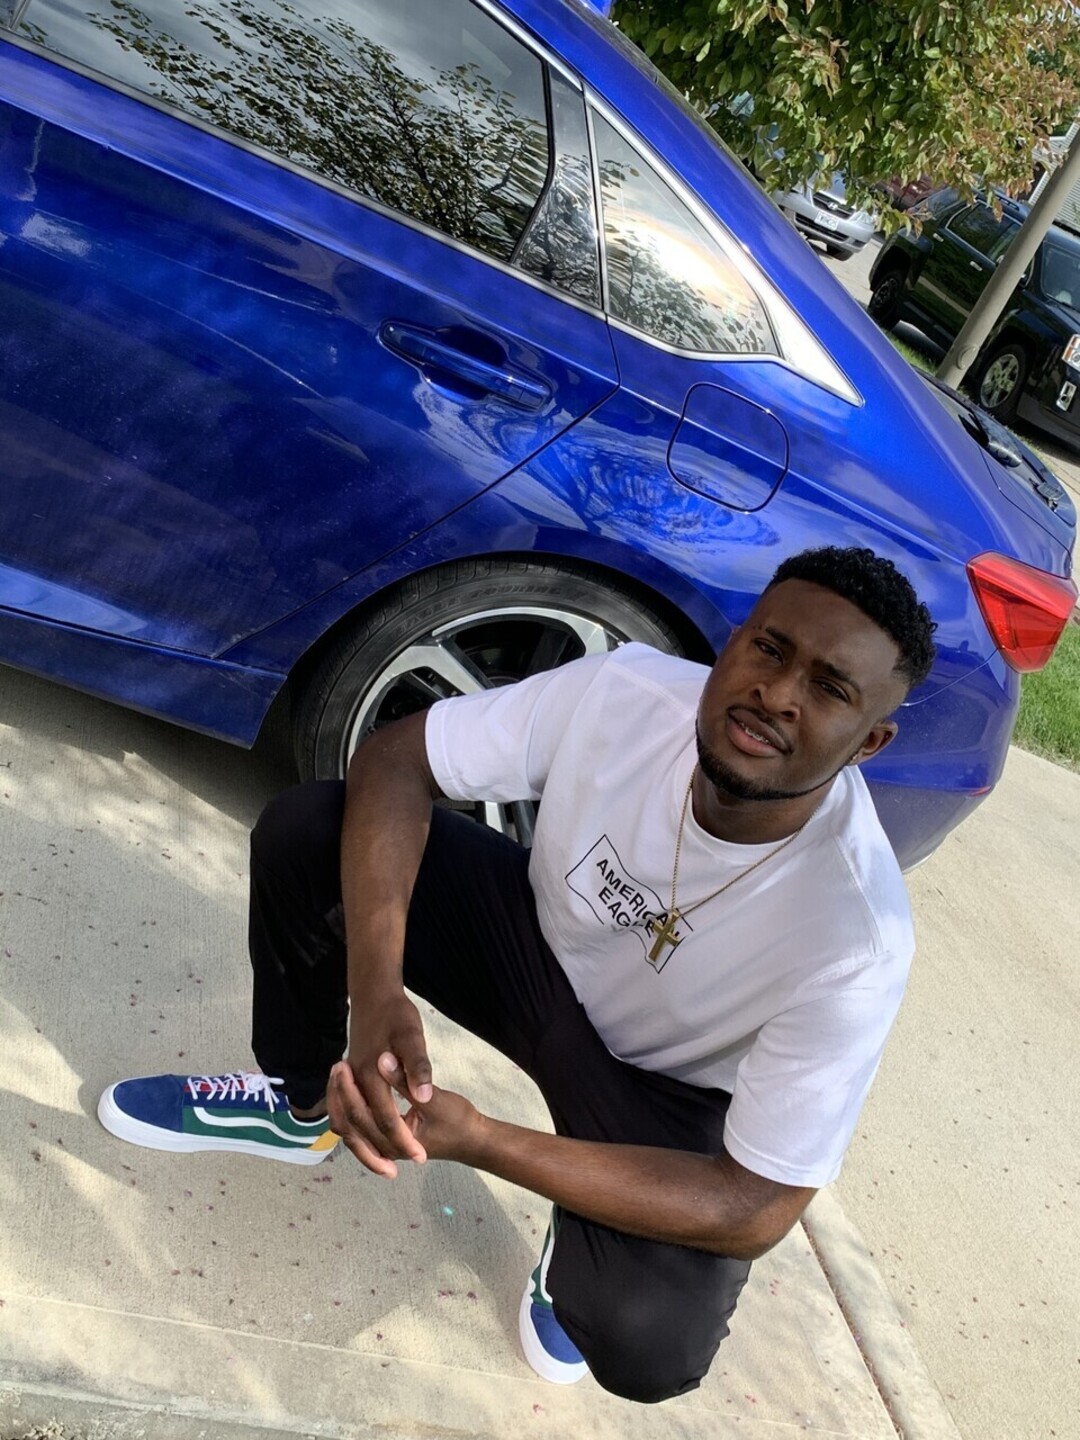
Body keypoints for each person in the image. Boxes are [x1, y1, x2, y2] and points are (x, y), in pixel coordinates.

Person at [97, 545, 937, 1404]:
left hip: (658, 1091)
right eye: (769, 648)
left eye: (830, 688)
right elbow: (397, 760)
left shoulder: (855, 939)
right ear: (733, 645)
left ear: (870, 741)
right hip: (527, 952)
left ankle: (589, 1208)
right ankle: (303, 1103)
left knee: (647, 1336)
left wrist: (485, 1141)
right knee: (311, 830)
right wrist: (377, 991)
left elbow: (754, 1206)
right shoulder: (625, 693)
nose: (778, 693)